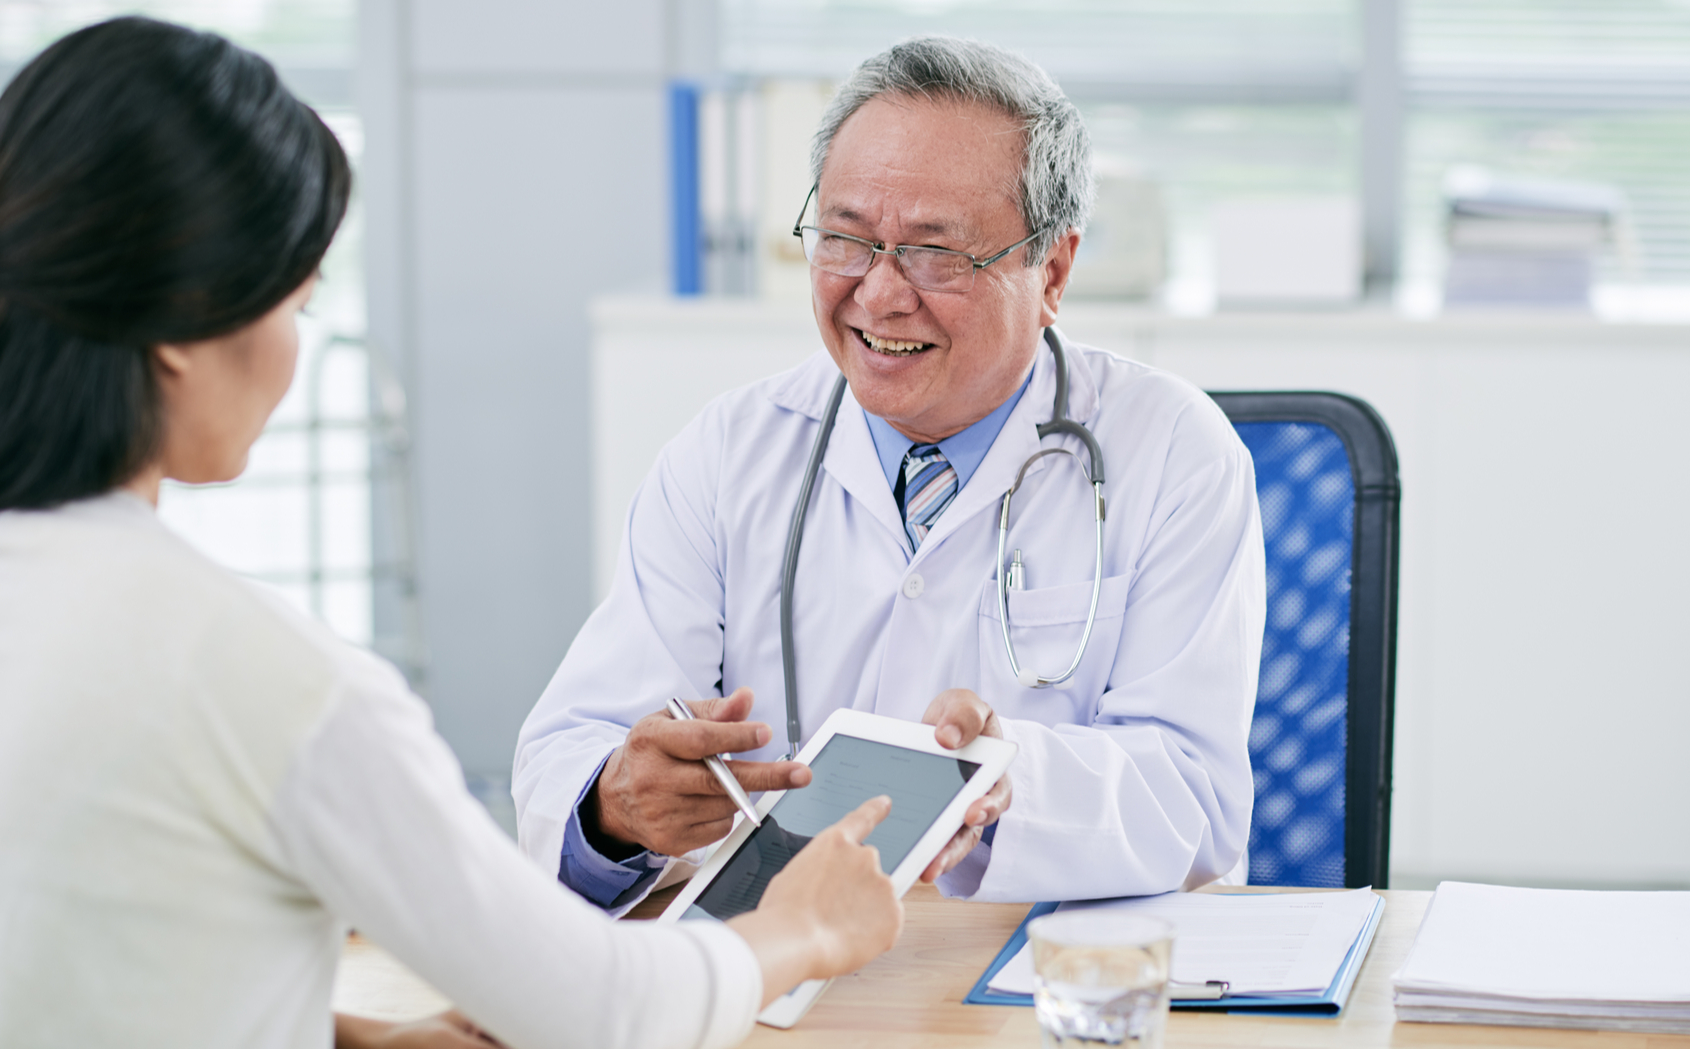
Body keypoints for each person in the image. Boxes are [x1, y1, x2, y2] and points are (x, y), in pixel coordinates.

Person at [0, 17, 902, 1049]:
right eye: (300, 299)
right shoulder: (265, 680)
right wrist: (801, 927)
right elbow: (601, 1016)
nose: (296, 342)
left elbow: (90, 974)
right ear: (184, 332)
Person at [515, 36, 1263, 913]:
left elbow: (1196, 805)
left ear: (1052, 269)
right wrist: (614, 808)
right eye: (844, 239)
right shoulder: (728, 454)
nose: (877, 295)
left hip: (1041, 978)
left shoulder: (1174, 453)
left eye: (934, 253)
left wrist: (1006, 779)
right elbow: (576, 746)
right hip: (775, 976)